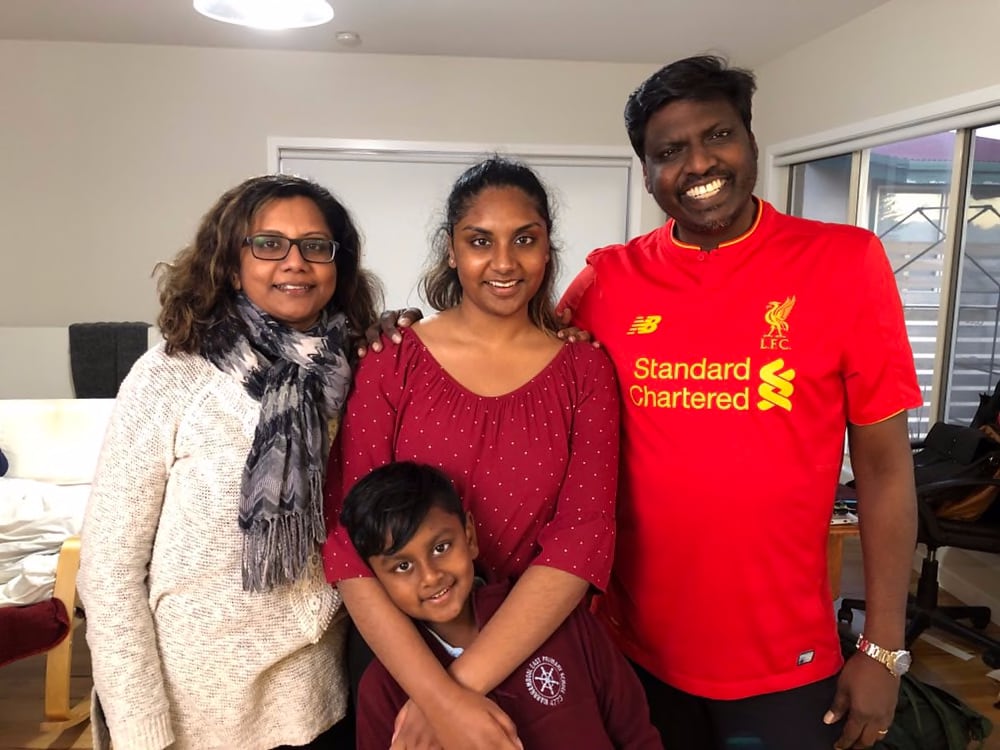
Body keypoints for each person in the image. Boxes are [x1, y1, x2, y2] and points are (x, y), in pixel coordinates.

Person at [556, 55, 923, 750]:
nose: (699, 164)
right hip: (632, 652)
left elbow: (882, 470)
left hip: (786, 660)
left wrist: (883, 648)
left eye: (717, 136)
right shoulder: (607, 280)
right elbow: (510, 366)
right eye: (670, 151)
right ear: (647, 172)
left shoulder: (845, 263)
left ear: (751, 142)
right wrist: (398, 338)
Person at [323, 156, 621, 749]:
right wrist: (432, 694)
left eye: (525, 240)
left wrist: (457, 691)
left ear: (548, 250)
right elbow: (347, 540)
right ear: (452, 250)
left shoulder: (584, 370)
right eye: (480, 241)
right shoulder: (393, 359)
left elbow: (582, 539)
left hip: (537, 645)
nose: (504, 263)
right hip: (400, 656)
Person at [78, 174, 385, 749]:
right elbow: (109, 573)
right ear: (230, 260)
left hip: (318, 700)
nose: (295, 262)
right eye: (269, 244)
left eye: (316, 246)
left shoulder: (362, 371)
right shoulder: (171, 375)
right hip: (191, 713)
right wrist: (140, 730)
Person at [338, 461, 662, 750]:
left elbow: (636, 734)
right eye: (403, 567)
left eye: (441, 547)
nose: (431, 576)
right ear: (377, 581)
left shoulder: (567, 626)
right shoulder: (384, 689)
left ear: (470, 536)